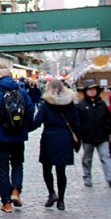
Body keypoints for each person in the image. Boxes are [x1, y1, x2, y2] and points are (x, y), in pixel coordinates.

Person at [0, 65, 35, 213]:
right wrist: (24, 129)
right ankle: (16, 191)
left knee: (3, 170)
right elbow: (30, 111)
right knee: (17, 164)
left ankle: (7, 203)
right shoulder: (22, 92)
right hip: (18, 137)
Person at [32, 79, 80, 211]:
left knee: (47, 168)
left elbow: (37, 122)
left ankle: (52, 193)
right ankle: (61, 200)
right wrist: (78, 141)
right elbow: (76, 123)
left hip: (49, 138)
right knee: (61, 171)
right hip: (65, 139)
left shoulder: (46, 104)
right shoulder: (70, 104)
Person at [76, 80, 111, 188]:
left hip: (102, 136)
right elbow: (78, 122)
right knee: (87, 159)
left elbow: (108, 119)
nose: (92, 92)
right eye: (90, 90)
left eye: (94, 89)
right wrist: (80, 135)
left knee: (106, 156)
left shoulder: (101, 104)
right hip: (88, 137)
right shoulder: (80, 105)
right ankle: (87, 177)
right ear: (86, 91)